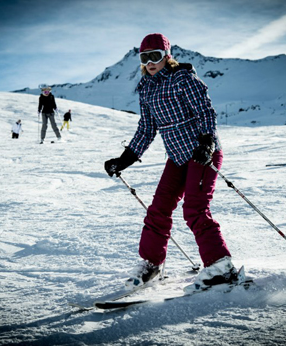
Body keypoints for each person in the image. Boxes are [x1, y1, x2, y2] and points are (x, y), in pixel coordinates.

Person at [104, 33, 237, 293]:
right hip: (177, 158)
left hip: (202, 153)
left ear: (167, 55)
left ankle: (221, 267)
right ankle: (152, 265)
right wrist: (124, 159)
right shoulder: (146, 87)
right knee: (158, 209)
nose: (151, 62)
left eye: (156, 56)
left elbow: (205, 112)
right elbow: (146, 128)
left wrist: (207, 142)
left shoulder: (183, 78)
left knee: (195, 209)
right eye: (145, 57)